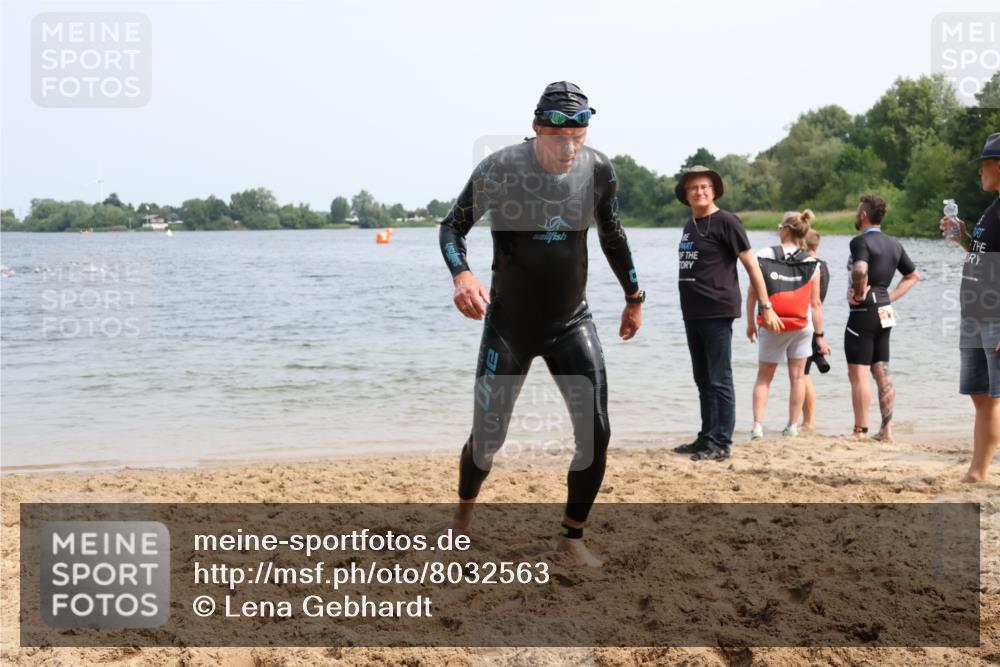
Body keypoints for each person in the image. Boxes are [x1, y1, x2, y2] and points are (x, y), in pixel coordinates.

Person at [439, 82, 643, 566]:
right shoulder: (501, 169)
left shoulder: (598, 169)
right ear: (537, 128)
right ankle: (463, 516)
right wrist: (462, 274)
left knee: (596, 431)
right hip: (509, 324)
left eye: (579, 135)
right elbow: (452, 226)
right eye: (560, 138)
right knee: (488, 439)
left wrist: (634, 296)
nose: (570, 147)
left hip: (572, 320)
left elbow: (613, 234)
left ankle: (571, 536)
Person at [673, 165, 783, 461]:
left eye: (704, 187)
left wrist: (766, 305)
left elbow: (752, 266)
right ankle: (706, 436)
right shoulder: (689, 226)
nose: (699, 192)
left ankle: (721, 443)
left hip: (717, 309)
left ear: (714, 190)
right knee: (702, 378)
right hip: (692, 312)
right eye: (693, 187)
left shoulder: (726, 222)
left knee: (719, 378)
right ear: (686, 194)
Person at [938, 132, 1000, 483]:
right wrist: (964, 237)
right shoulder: (992, 210)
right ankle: (977, 472)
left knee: (995, 394)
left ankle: (978, 472)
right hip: (975, 313)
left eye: (983, 166)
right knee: (981, 395)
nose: (980, 173)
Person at [746, 210, 831, 439]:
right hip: (802, 326)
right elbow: (815, 304)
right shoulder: (812, 262)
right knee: (798, 377)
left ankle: (757, 426)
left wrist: (750, 323)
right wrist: (820, 335)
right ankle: (793, 426)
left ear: (784, 230)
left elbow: (753, 292)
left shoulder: (764, 254)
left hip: (772, 323)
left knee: (764, 377)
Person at [845, 195, 920, 441]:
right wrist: (890, 297)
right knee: (882, 370)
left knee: (859, 373)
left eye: (858, 211)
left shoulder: (860, 242)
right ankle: (886, 431)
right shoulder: (894, 244)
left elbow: (860, 270)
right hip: (885, 310)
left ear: (864, 215)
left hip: (863, 311)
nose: (856, 215)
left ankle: (860, 430)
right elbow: (913, 276)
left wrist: (856, 293)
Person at [802, 228, 831, 432]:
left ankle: (808, 422)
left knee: (802, 374)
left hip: (806, 322)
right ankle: (806, 420)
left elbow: (813, 302)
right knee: (803, 373)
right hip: (815, 322)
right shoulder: (824, 266)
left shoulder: (808, 267)